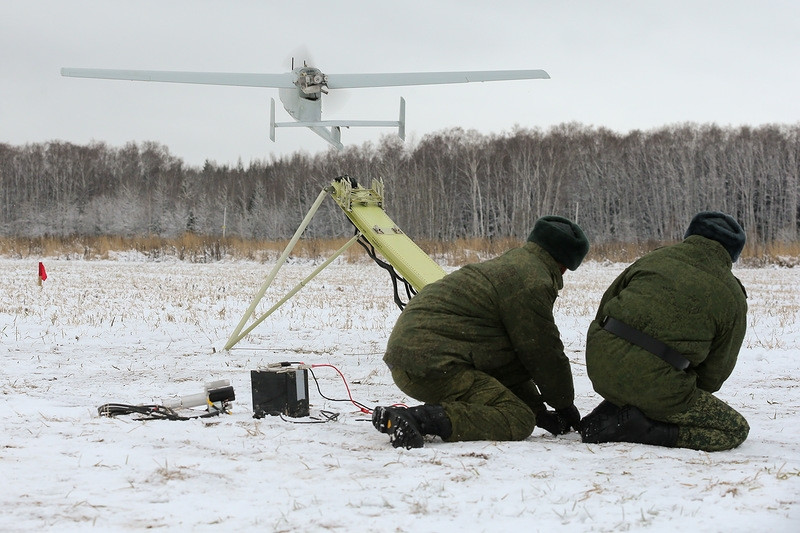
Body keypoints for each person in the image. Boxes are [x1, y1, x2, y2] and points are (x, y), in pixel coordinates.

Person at [371, 216, 590, 449]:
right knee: (517, 418)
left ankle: (416, 417)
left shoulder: (515, 265)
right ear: (565, 266)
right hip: (430, 363)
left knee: (522, 409)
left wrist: (539, 411)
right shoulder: (532, 282)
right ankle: (416, 419)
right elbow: (542, 352)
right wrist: (564, 405)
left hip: (413, 356)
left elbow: (510, 359)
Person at [580, 211, 749, 452]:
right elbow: (715, 373)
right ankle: (647, 429)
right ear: (733, 253)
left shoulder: (654, 258)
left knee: (645, 376)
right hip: (656, 386)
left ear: (690, 234)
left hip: (599, 368)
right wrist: (670, 399)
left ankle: (623, 402)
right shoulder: (732, 295)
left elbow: (606, 305)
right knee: (736, 429)